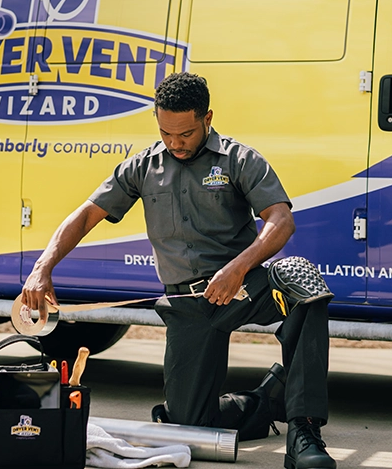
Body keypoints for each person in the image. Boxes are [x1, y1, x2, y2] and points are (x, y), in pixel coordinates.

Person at [21, 72, 336, 469]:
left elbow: (281, 219)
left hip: (240, 288)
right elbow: (86, 215)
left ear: (207, 118)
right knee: (189, 428)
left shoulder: (239, 160)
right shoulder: (143, 166)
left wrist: (238, 268)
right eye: (166, 133)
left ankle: (304, 431)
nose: (175, 144)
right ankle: (268, 398)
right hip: (187, 303)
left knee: (300, 282)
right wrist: (41, 267)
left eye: (185, 134)